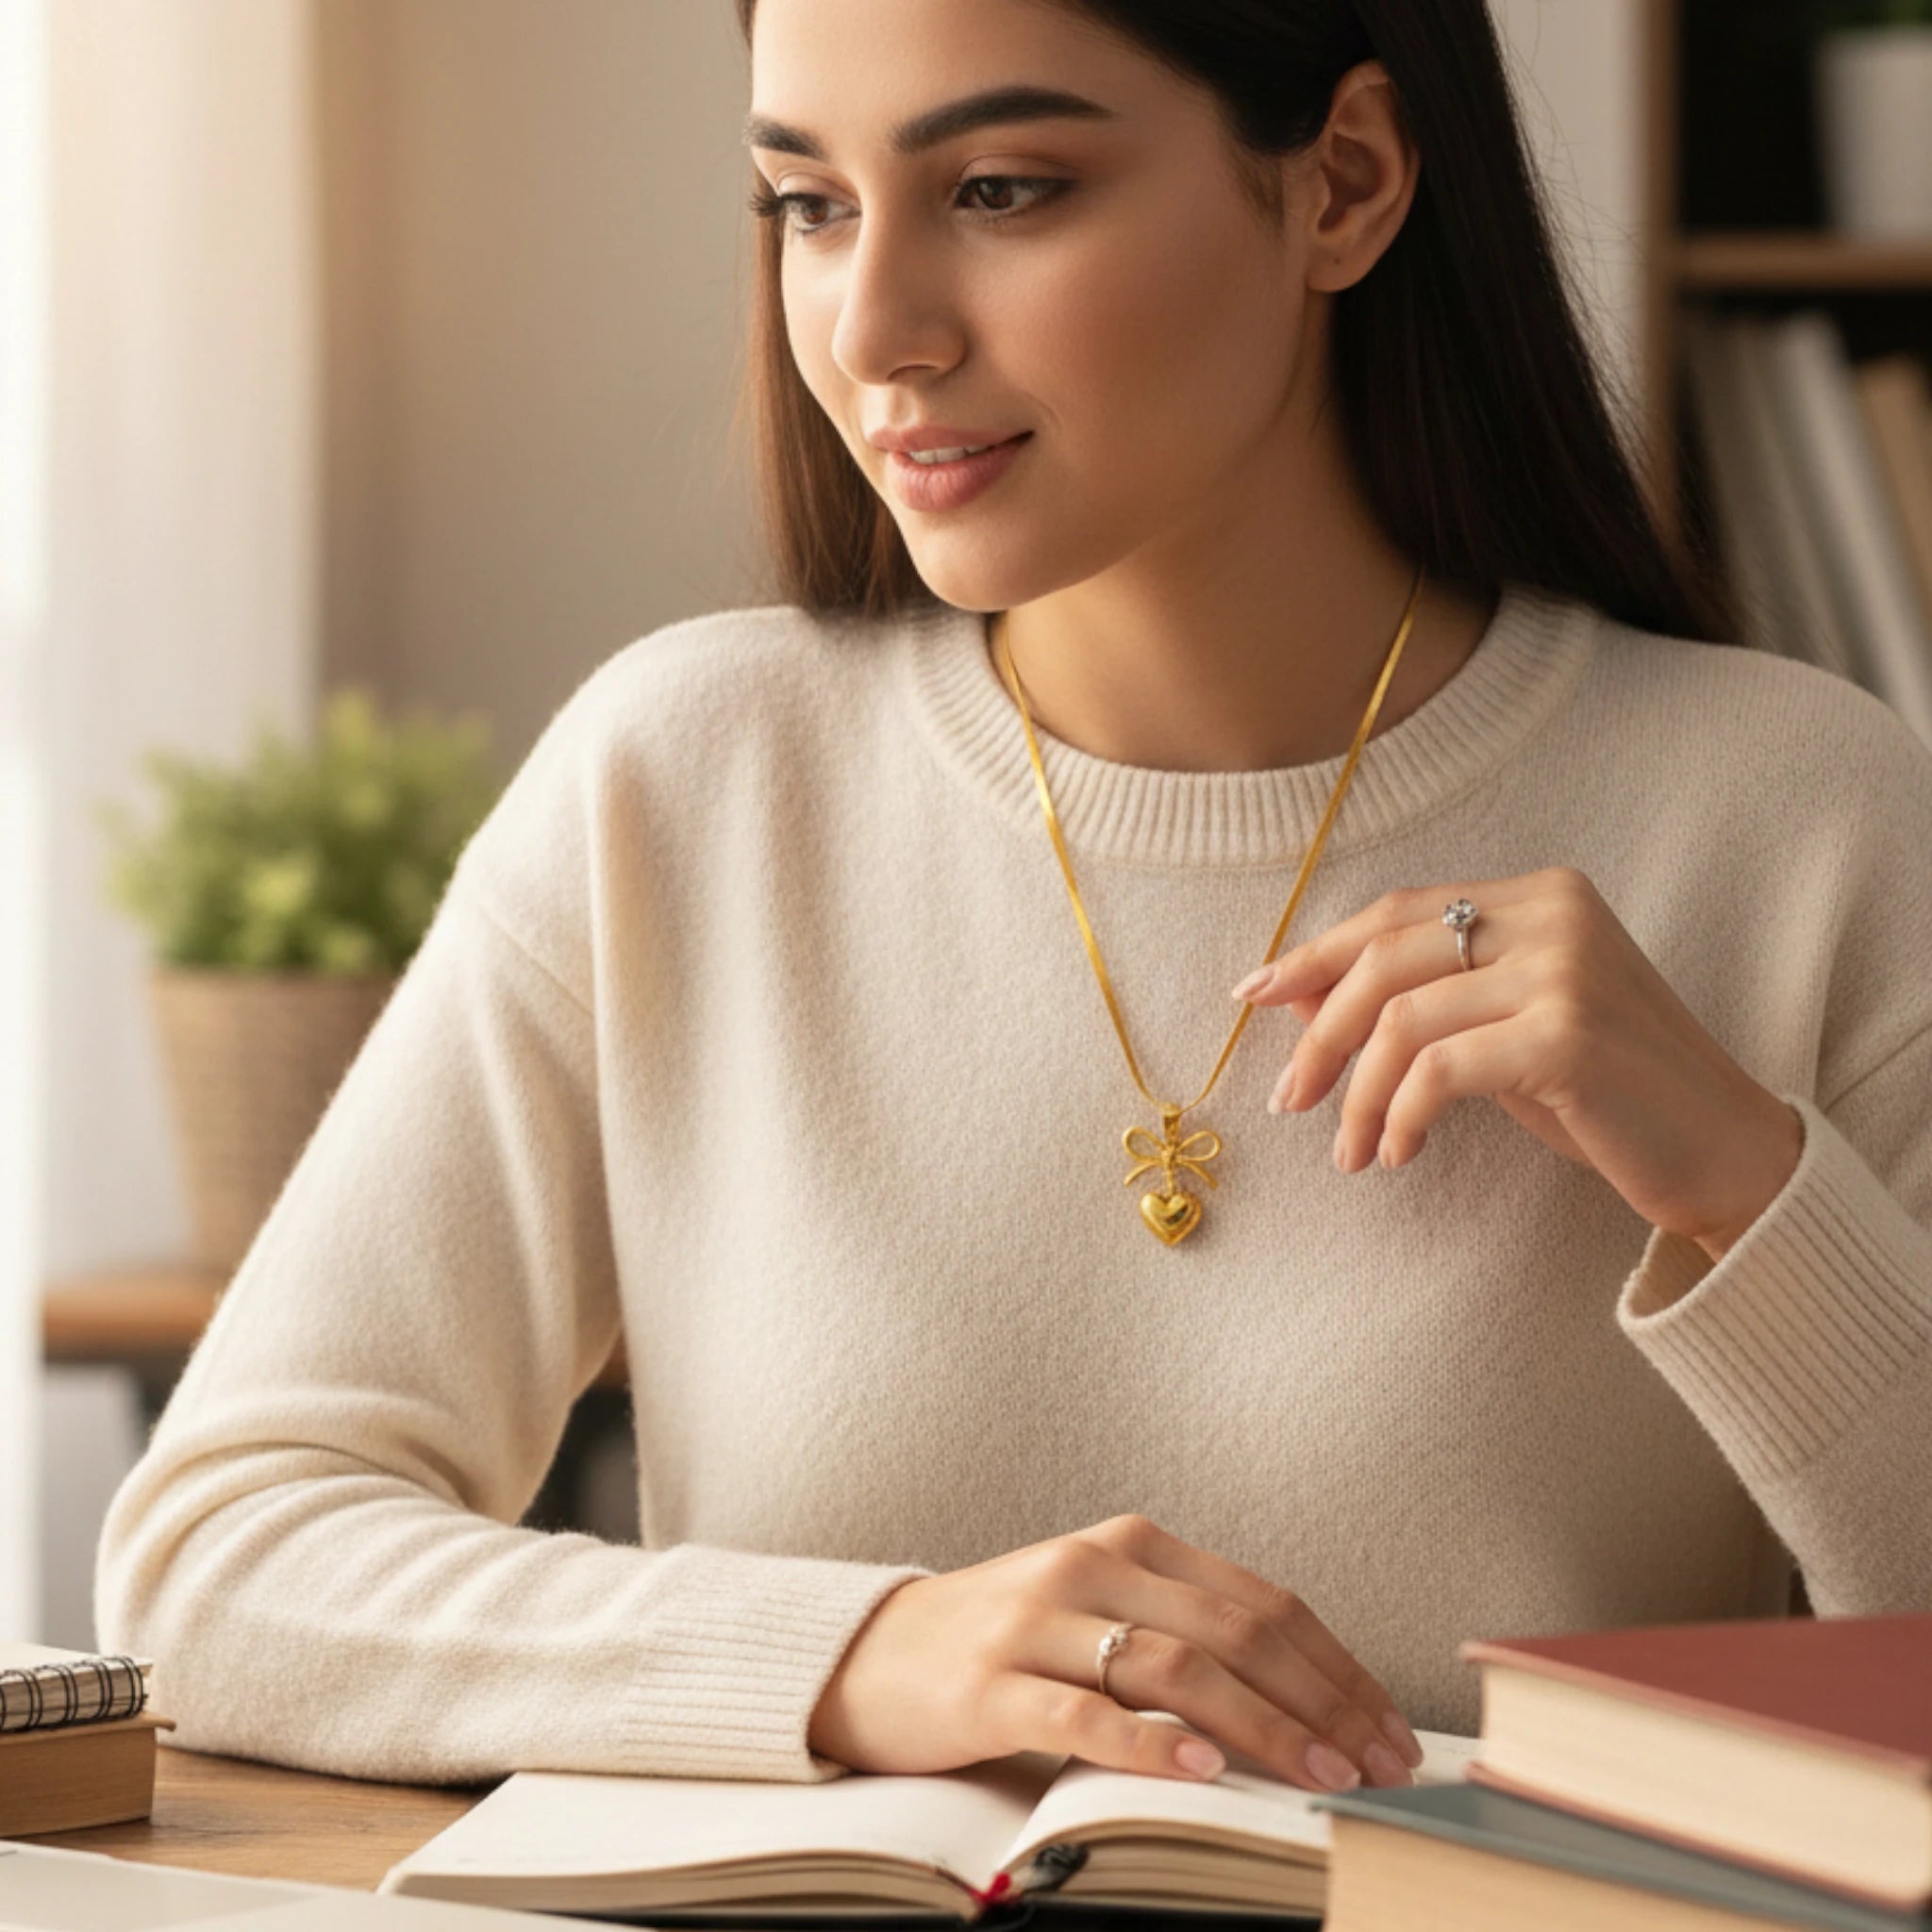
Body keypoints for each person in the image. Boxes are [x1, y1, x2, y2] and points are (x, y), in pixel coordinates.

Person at [96, 0, 1932, 1804]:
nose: (875, 330)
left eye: (999, 188)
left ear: (1344, 184)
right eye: (807, 203)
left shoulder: (1800, 817)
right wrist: (854, 1652)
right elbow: (219, 1567)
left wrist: (1749, 1186)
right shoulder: (687, 778)